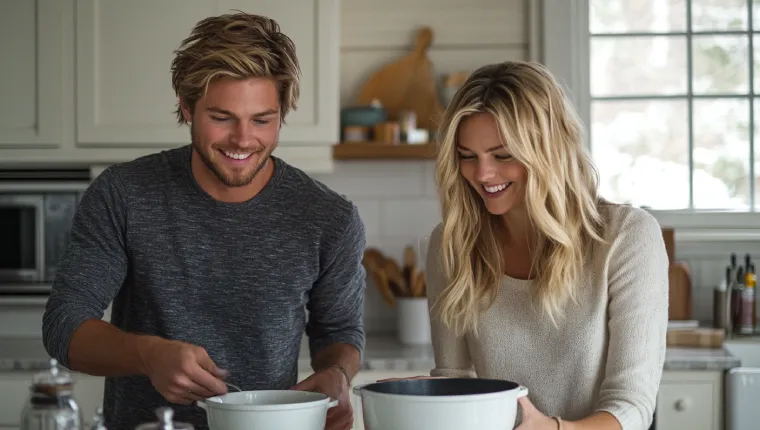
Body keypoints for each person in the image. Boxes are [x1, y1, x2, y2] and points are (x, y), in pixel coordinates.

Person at [42, 12, 365, 430]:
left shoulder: (330, 218)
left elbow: (340, 332)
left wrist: (337, 374)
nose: (243, 139)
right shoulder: (123, 195)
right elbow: (64, 325)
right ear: (186, 107)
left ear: (282, 114)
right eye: (222, 117)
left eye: (262, 120)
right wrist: (148, 354)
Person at [421, 61, 669, 430]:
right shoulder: (452, 243)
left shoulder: (627, 237)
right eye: (467, 156)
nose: (483, 174)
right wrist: (420, 399)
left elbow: (631, 406)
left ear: (550, 149)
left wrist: (554, 429)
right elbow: (455, 379)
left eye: (502, 155)